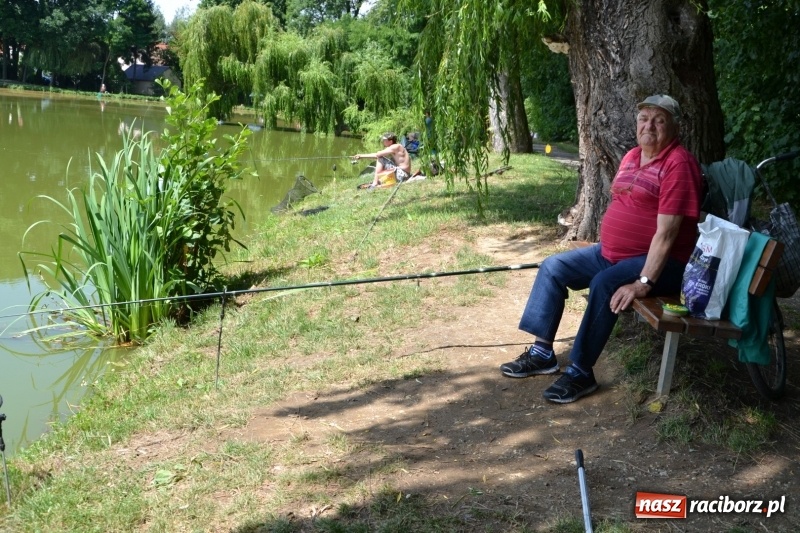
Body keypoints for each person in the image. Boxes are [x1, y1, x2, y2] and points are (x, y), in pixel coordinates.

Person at [500, 94, 703, 403]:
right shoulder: (632, 156)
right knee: (553, 267)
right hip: (611, 253)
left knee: (603, 283)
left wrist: (643, 283)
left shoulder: (678, 164)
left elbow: (667, 234)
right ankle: (543, 354)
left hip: (661, 263)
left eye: (659, 120)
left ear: (674, 127)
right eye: (644, 119)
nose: (649, 125)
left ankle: (581, 372)